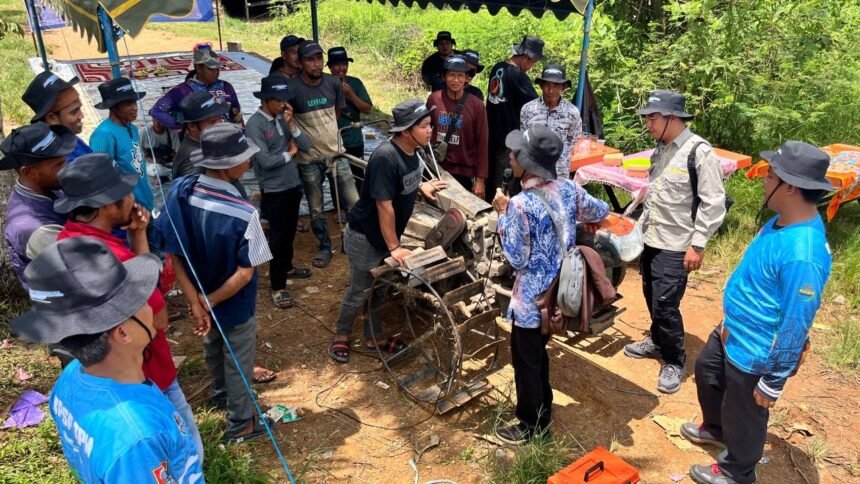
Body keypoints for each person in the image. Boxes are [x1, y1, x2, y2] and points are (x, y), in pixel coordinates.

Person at [683, 142, 833, 484]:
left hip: (756, 350)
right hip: (732, 332)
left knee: (745, 412)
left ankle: (739, 469)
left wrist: (773, 380)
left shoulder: (803, 253)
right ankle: (717, 430)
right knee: (708, 372)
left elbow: (797, 321)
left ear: (790, 186)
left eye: (769, 175)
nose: (763, 181)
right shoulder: (781, 222)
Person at [10, 237, 203, 482]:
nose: (151, 305)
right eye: (140, 300)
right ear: (122, 332)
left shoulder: (70, 379)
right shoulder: (138, 437)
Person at [53, 153, 204, 460]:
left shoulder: (66, 240)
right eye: (126, 192)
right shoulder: (117, 260)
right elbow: (158, 319)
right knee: (186, 451)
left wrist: (137, 235)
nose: (134, 197)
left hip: (103, 369)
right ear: (108, 205)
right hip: (146, 371)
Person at [490, 125, 610, 444]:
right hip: (559, 293)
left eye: (516, 154)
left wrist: (502, 215)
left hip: (531, 301)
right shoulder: (568, 190)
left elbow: (516, 257)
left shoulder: (519, 204)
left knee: (526, 364)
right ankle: (543, 413)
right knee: (538, 356)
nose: (511, 157)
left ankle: (531, 427)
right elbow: (601, 210)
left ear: (526, 163)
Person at [159, 123, 273, 444]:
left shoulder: (181, 191)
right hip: (232, 301)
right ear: (226, 167)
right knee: (239, 358)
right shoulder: (245, 213)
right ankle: (241, 423)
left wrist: (196, 301)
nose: (249, 161)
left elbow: (174, 250)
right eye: (244, 157)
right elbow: (245, 273)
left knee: (212, 344)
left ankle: (220, 395)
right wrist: (209, 301)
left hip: (198, 291)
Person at [623, 91, 726, 394]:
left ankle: (674, 360)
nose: (647, 124)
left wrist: (698, 244)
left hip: (678, 242)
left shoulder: (699, 152)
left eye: (652, 118)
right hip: (653, 237)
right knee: (650, 292)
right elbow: (654, 194)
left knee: (666, 304)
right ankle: (656, 340)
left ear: (672, 118)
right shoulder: (661, 149)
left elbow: (713, 202)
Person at [328, 99, 446, 364]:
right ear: (406, 131)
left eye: (430, 125)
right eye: (425, 126)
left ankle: (373, 337)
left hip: (385, 235)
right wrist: (394, 247)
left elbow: (402, 184)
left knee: (381, 288)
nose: (430, 131)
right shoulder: (385, 157)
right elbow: (384, 206)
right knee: (360, 289)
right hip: (366, 237)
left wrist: (421, 187)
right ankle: (342, 334)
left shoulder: (413, 150)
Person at [291, 40, 359, 269]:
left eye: (319, 58)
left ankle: (351, 240)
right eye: (310, 59)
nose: (316, 64)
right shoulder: (292, 88)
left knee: (354, 201)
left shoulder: (333, 83)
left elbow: (337, 114)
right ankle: (324, 245)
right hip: (309, 160)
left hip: (337, 154)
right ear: (300, 63)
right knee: (316, 208)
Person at [246, 75, 312, 309]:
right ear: (267, 100)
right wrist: (289, 154)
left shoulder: (282, 118)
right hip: (274, 189)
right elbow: (263, 161)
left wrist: (292, 124)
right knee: (278, 237)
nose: (284, 104)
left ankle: (288, 266)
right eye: (280, 100)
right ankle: (278, 286)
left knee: (290, 231)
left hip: (292, 184)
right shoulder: (255, 125)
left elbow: (305, 145)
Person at [0, 122, 75, 288]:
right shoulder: (35, 228)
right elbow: (84, 270)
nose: (67, 168)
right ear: (29, 171)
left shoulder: (47, 188)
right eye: (59, 165)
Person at [485, 35, 543, 201]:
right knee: (503, 184)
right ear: (526, 57)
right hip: (508, 140)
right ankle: (498, 218)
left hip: (492, 134)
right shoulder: (518, 76)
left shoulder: (497, 68)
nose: (532, 66)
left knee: (491, 178)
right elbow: (536, 106)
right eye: (533, 62)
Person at [426, 55, 489, 198]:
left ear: (467, 78)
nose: (456, 80)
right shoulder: (434, 99)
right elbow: (424, 130)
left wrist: (480, 180)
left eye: (460, 76)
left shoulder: (476, 105)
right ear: (444, 77)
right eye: (451, 75)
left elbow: (482, 143)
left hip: (465, 173)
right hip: (437, 169)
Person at [89, 77, 155, 214]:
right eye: (129, 104)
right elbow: (100, 177)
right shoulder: (104, 134)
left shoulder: (132, 128)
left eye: (135, 102)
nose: (135, 107)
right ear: (114, 106)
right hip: (129, 211)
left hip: (145, 203)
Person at [149, 43, 242, 131]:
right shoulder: (182, 91)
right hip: (198, 141)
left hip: (228, 138)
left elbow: (237, 114)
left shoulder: (226, 87)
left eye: (217, 68)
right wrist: (180, 127)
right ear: (198, 68)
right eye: (211, 69)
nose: (216, 72)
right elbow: (156, 111)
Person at [520, 65, 582, 179]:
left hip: (559, 174)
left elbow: (573, 141)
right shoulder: (528, 109)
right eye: (547, 84)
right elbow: (524, 140)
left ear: (563, 87)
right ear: (541, 85)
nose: (551, 90)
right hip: (532, 173)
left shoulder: (572, 112)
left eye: (556, 85)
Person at [327, 46, 373, 190]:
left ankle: (360, 210)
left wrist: (351, 95)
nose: (341, 68)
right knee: (335, 180)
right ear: (329, 67)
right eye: (336, 65)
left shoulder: (355, 83)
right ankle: (339, 210)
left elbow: (367, 109)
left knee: (358, 177)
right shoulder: (324, 84)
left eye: (344, 64)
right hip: (332, 142)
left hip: (353, 139)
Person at [21, 71, 92, 162]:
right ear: (51, 118)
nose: (81, 116)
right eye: (74, 112)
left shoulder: (72, 140)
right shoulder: (59, 161)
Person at [171, 90, 229, 180]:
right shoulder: (193, 163)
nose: (220, 124)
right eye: (213, 121)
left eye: (220, 118)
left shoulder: (204, 145)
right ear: (192, 126)